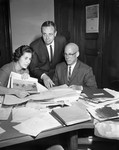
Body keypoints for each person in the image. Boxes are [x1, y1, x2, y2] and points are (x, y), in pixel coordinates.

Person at [29, 21, 67, 89]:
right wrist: (44, 77)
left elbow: (66, 59)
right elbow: (33, 68)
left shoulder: (62, 41)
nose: (47, 38)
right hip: (41, 79)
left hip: (59, 77)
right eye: (44, 34)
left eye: (50, 34)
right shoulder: (34, 46)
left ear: (55, 33)